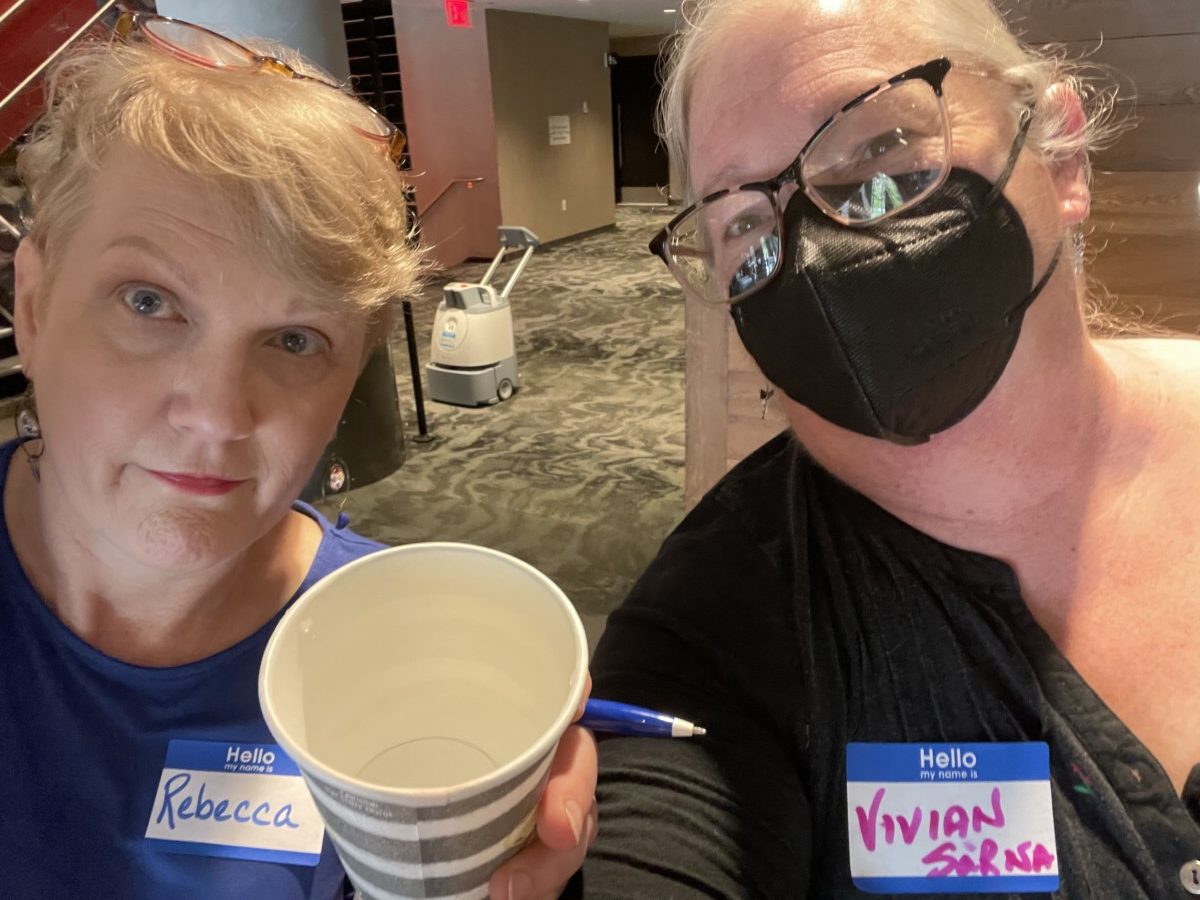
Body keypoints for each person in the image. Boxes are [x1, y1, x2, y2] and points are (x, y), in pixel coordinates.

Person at [578, 0, 1200, 896]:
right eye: (747, 221)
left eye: (882, 151)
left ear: (1061, 156)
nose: (821, 255)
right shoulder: (715, 624)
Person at [3, 11, 595, 899]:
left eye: (292, 341)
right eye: (148, 302)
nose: (215, 415)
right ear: (37, 305)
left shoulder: (404, 649)